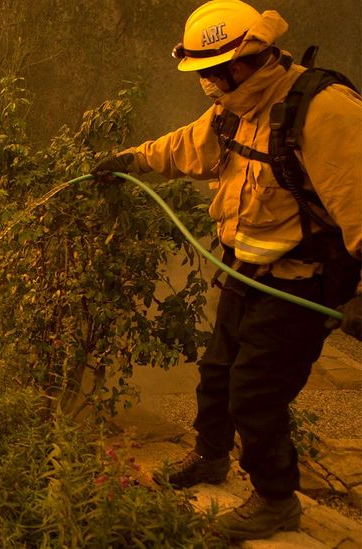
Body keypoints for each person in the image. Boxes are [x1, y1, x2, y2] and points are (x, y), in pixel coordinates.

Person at [93, 0, 361, 540]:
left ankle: (275, 501)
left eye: (212, 73)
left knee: (255, 395)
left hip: (300, 283)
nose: (207, 85)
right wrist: (129, 161)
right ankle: (210, 458)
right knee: (216, 375)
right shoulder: (237, 107)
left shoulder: (326, 110)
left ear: (246, 61)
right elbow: (187, 147)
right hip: (245, 272)